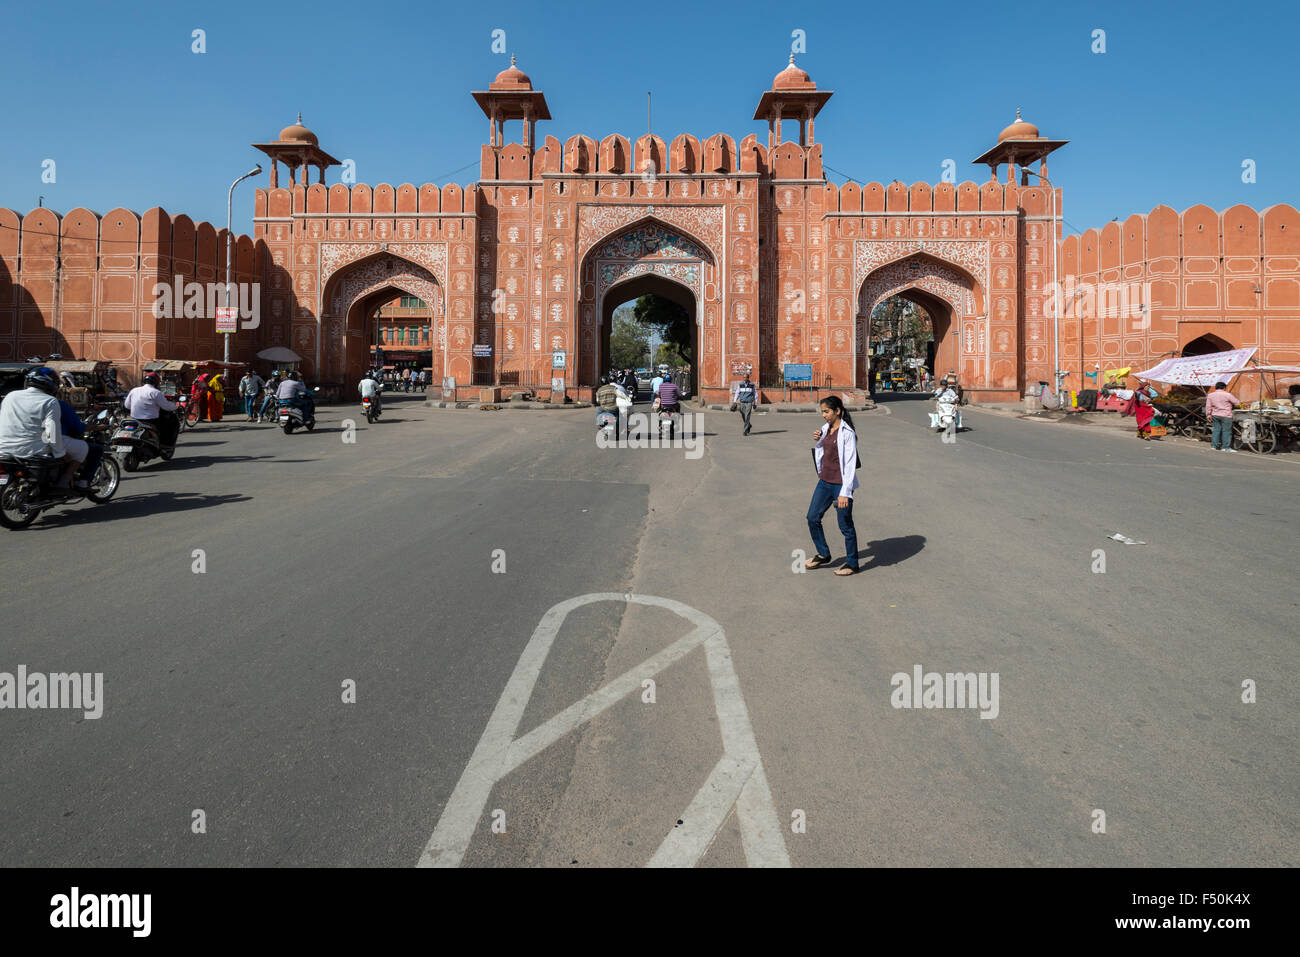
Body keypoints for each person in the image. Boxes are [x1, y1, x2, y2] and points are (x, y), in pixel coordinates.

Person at [805, 395, 861, 577]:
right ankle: (823, 553)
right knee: (812, 517)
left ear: (838, 411)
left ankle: (852, 563)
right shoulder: (825, 428)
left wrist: (845, 493)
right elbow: (824, 449)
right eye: (822, 412)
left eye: (827, 411)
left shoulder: (847, 433)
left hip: (841, 485)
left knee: (845, 525)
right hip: (824, 481)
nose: (824, 415)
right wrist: (818, 439)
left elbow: (850, 464)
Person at [0, 366, 80, 488]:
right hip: (33, 450)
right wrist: (61, 454)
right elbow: (51, 433)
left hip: (4, 448)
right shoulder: (50, 401)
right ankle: (62, 485)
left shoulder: (10, 396)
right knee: (81, 448)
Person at [124, 372, 180, 449]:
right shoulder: (156, 392)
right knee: (172, 421)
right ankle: (166, 444)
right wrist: (176, 406)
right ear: (156, 382)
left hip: (135, 419)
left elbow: (127, 405)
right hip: (151, 421)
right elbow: (166, 406)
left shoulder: (134, 390)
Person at [1206, 380, 1240, 452]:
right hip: (1226, 415)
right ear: (1224, 388)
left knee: (1216, 430)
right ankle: (1225, 447)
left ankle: (1213, 446)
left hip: (1215, 415)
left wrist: (1208, 414)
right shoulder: (1227, 395)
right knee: (1226, 431)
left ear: (1216, 388)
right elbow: (1237, 403)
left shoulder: (1210, 395)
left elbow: (1208, 406)